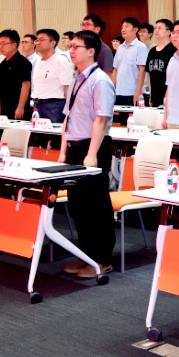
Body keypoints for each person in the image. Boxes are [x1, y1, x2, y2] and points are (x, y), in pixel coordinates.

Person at [59, 30, 116, 278]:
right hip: (75, 147)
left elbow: (101, 119)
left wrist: (92, 154)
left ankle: (102, 259)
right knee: (78, 204)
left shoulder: (100, 80)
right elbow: (68, 117)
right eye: (70, 46)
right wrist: (63, 151)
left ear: (91, 51)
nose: (71, 51)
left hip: (93, 148)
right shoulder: (76, 79)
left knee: (95, 205)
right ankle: (86, 255)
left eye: (76, 47)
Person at [30, 28, 72, 122]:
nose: (38, 43)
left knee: (54, 131)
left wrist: (69, 110)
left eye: (42, 40)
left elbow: (68, 87)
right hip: (37, 105)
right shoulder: (38, 61)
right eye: (37, 40)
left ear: (53, 43)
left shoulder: (61, 60)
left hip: (54, 106)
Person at [0, 29, 32, 120]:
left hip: (18, 107)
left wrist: (20, 107)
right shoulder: (2, 64)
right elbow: (0, 87)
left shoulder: (23, 62)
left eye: (3, 44)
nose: (1, 47)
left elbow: (26, 85)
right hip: (4, 107)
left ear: (14, 45)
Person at [112, 16, 148, 107]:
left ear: (135, 30)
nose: (123, 29)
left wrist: (138, 92)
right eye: (122, 27)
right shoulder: (120, 48)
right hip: (119, 92)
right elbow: (115, 70)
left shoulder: (141, 47)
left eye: (127, 27)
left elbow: (142, 70)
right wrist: (112, 90)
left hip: (133, 93)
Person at [146, 19, 176, 108]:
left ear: (168, 32)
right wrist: (151, 95)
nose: (156, 30)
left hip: (169, 97)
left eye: (159, 28)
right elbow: (150, 75)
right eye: (155, 28)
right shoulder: (152, 51)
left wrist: (168, 96)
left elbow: (174, 76)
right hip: (155, 97)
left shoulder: (173, 51)